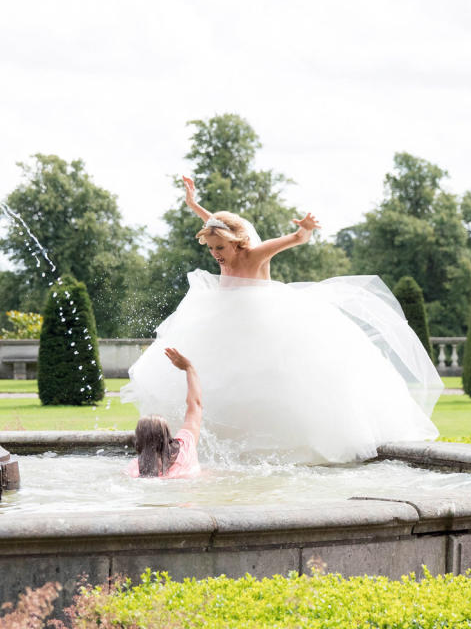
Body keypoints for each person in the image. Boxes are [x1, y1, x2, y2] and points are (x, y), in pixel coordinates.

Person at [122, 178, 442, 464]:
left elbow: (295, 239)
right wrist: (194, 205)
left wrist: (305, 228)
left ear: (237, 241)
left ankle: (287, 450)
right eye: (212, 249)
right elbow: (213, 222)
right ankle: (215, 451)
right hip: (225, 325)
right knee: (223, 383)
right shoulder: (222, 241)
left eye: (220, 248)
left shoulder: (255, 253)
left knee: (272, 384)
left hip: (262, 325)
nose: (216, 254)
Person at [128, 347, 202, 479]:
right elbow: (195, 404)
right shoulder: (186, 447)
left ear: (138, 441)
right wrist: (189, 368)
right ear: (167, 436)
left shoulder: (135, 470)